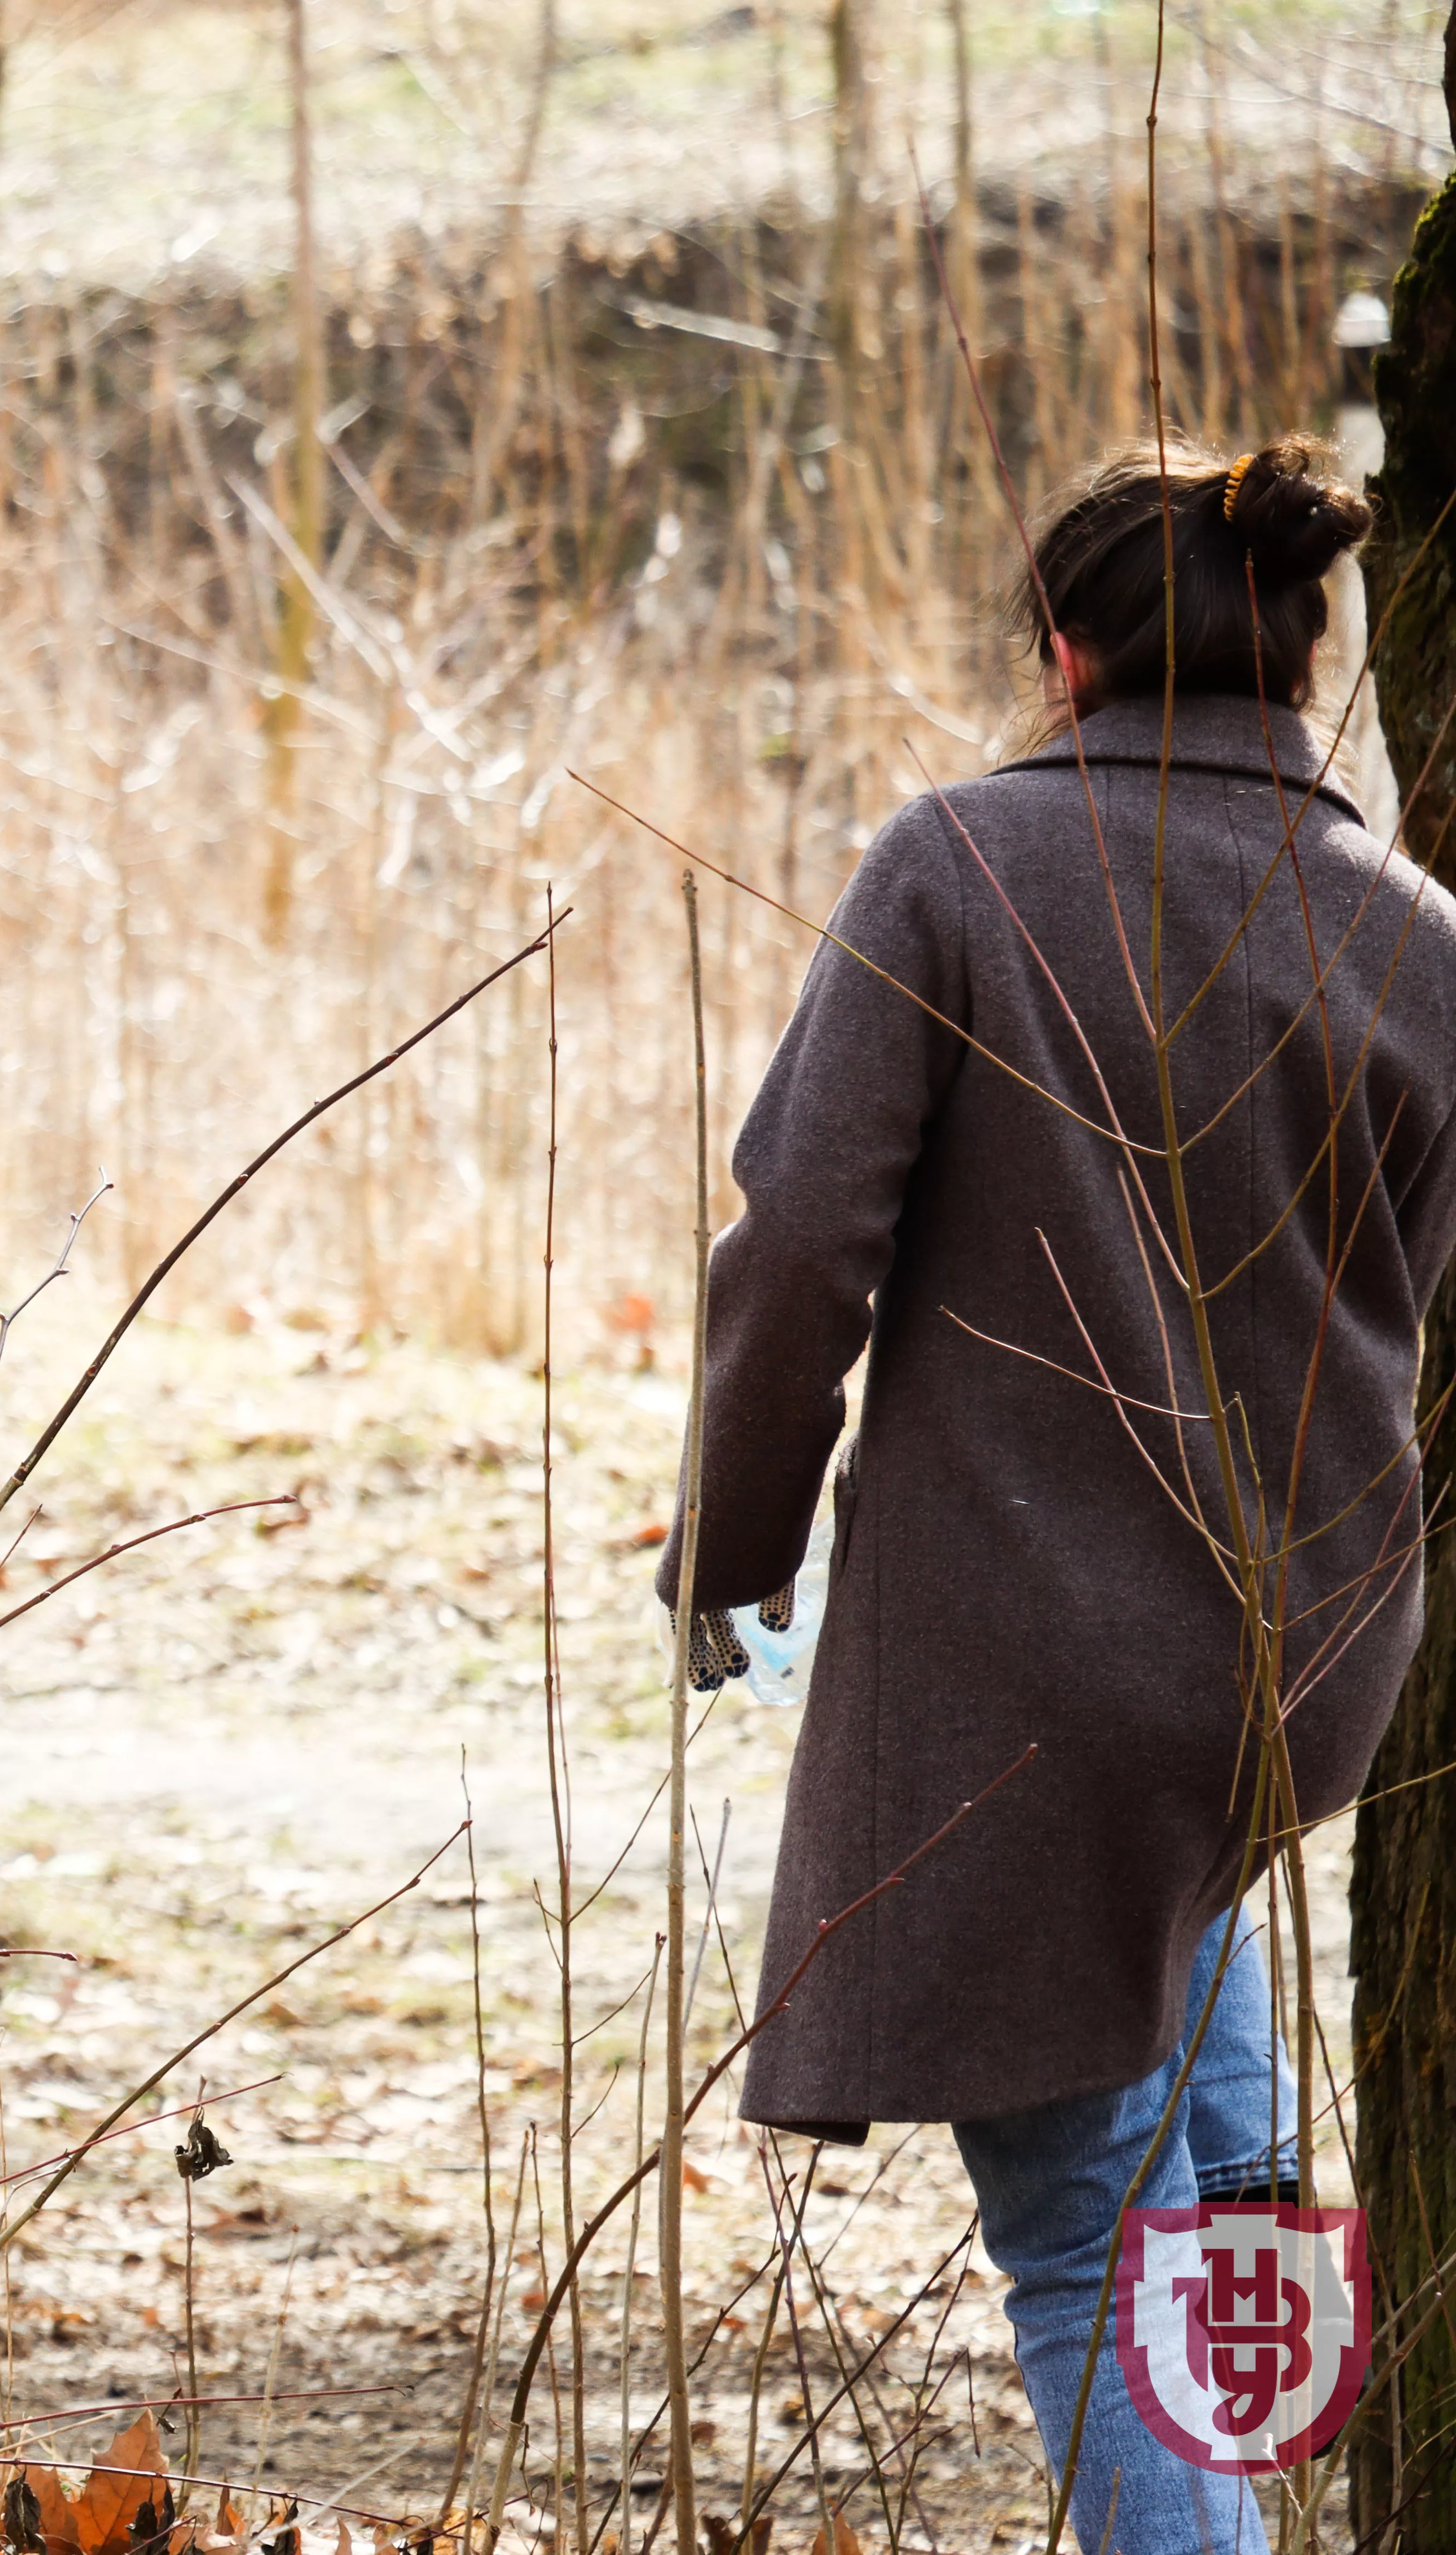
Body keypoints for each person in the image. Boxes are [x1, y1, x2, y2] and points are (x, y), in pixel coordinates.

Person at [672, 435, 1456, 2554]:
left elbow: (799, 1248)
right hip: (1299, 1670)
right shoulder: (1418, 934)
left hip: (1030, 1664)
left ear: (1063, 649)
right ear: (1304, 655)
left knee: (1091, 2238)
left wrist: (731, 1556)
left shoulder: (962, 866)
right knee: (1211, 2180)